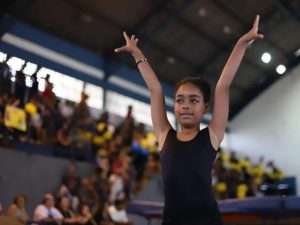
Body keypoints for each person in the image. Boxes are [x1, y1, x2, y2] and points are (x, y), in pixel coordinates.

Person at [115, 15, 263, 225]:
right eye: (179, 100)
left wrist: (241, 44)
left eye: (193, 101)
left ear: (205, 108)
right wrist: (137, 53)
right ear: (174, 106)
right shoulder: (164, 135)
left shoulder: (211, 136)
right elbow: (155, 89)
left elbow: (223, 86)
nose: (185, 105)